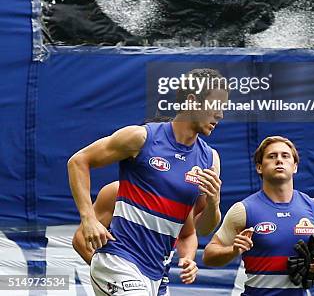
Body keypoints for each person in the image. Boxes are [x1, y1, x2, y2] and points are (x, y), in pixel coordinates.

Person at [67, 68, 226, 296]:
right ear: (192, 101)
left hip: (157, 276)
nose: (220, 114)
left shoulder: (211, 160)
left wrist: (213, 204)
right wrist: (88, 219)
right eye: (216, 104)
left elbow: (200, 229)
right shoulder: (141, 137)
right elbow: (78, 161)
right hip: (118, 261)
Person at [203, 135, 314, 295]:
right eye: (272, 156)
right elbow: (208, 255)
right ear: (259, 167)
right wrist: (233, 250)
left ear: (295, 166)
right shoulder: (243, 210)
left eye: (285, 155)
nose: (279, 160)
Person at [72, 181, 199, 295]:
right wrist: (109, 269)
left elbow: (188, 234)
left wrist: (187, 258)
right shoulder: (116, 191)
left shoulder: (179, 198)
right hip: (120, 269)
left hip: (159, 282)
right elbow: (80, 239)